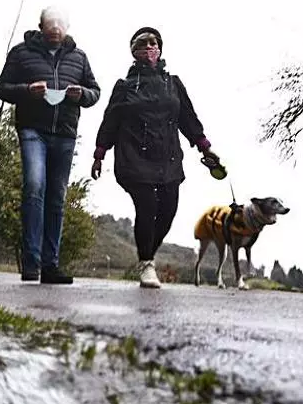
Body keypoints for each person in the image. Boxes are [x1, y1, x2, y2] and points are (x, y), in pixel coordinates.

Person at [90, 26, 219, 289]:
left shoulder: (173, 84)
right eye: (143, 44)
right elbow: (110, 120)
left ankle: (145, 255)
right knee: (147, 206)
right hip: (134, 156)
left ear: (160, 49)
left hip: (168, 156)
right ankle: (147, 264)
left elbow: (188, 118)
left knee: (168, 210)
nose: (149, 47)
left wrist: (205, 147)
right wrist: (100, 153)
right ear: (134, 52)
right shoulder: (125, 86)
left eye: (153, 43)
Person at [0, 5, 101, 284]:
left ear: (67, 28)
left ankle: (50, 265)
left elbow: (95, 92)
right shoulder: (21, 53)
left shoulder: (79, 57)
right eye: (50, 23)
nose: (55, 27)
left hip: (65, 134)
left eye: (60, 23)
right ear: (41, 26)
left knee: (57, 197)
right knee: (34, 186)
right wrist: (27, 91)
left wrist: (82, 94)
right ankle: (31, 263)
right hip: (33, 130)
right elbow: (2, 88)